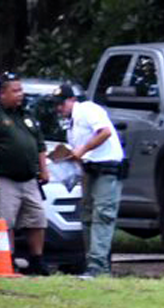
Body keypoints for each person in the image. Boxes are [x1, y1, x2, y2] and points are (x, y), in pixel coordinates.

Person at [0, 72, 51, 275]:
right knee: (4, 221)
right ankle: (6, 259)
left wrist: (44, 169)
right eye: (15, 91)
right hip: (4, 179)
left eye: (21, 90)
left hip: (29, 179)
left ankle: (37, 260)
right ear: (2, 94)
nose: (20, 94)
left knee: (37, 219)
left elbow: (40, 145)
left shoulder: (26, 116)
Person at [52, 83, 125, 278]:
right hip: (90, 170)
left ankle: (97, 266)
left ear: (72, 100)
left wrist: (81, 151)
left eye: (61, 104)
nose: (59, 108)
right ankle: (96, 264)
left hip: (107, 167)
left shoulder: (88, 110)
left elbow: (105, 132)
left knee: (103, 215)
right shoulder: (71, 124)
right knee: (87, 217)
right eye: (56, 105)